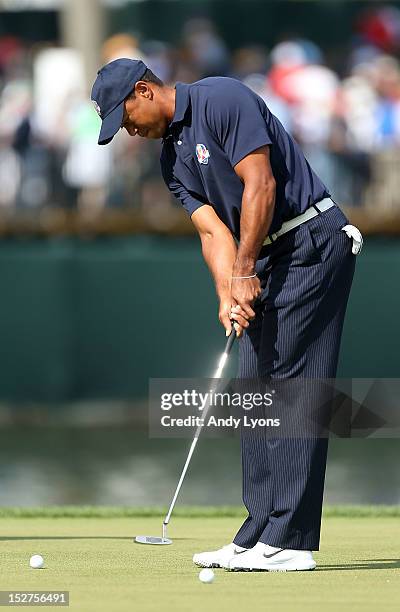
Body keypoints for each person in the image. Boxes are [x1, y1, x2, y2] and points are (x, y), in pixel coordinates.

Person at [91, 58, 362, 572]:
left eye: (124, 117)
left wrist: (243, 271)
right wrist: (227, 291)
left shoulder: (223, 98)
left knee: (294, 387)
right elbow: (213, 232)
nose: (127, 130)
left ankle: (292, 540)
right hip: (262, 257)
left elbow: (260, 185)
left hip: (312, 241)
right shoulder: (171, 161)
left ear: (144, 91)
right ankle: (259, 531)